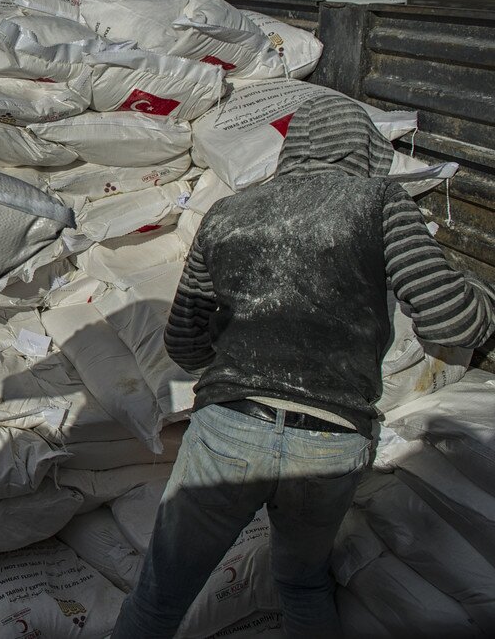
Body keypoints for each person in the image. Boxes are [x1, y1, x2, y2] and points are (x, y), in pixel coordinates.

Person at [114, 94, 495, 638]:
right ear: (366, 150)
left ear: (293, 149)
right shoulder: (379, 203)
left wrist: (239, 351)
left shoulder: (227, 214)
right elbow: (453, 325)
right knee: (302, 584)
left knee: (160, 598)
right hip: (331, 441)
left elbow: (184, 343)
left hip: (230, 429)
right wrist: (482, 296)